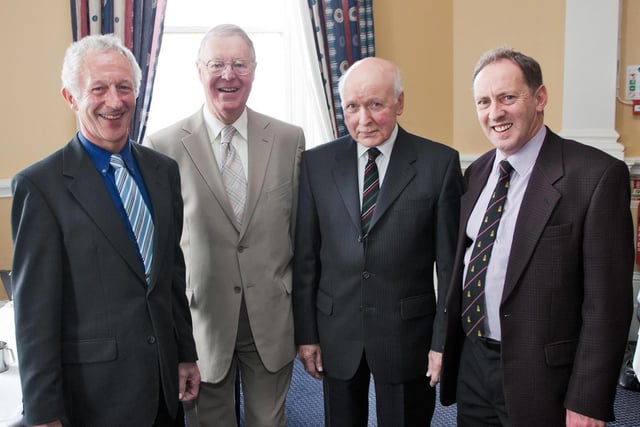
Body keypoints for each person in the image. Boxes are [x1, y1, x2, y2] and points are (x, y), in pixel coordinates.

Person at [10, 34, 200, 427]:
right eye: (98, 88)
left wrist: (184, 353)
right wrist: (43, 412)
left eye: (124, 87)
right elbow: (34, 316)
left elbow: (169, 275)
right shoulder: (41, 187)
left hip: (164, 389)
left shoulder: (163, 171)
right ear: (71, 97)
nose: (114, 101)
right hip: (95, 399)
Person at [440, 47, 634, 427]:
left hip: (544, 380)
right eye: (484, 101)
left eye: (508, 97)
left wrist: (588, 400)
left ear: (540, 98)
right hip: (474, 366)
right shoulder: (477, 174)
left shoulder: (595, 177)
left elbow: (607, 305)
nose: (494, 113)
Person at [143, 24, 305, 427]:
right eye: (217, 64)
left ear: (254, 70)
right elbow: (159, 250)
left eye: (239, 64)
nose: (228, 74)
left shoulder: (289, 139)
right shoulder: (163, 146)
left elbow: (303, 234)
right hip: (202, 320)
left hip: (270, 313)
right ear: (199, 71)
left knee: (269, 422)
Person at [293, 57, 464, 426]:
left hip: (408, 336)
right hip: (337, 332)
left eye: (375, 104)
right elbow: (306, 258)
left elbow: (450, 267)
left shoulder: (439, 164)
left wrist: (443, 341)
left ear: (400, 103)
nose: (363, 119)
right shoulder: (316, 165)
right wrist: (306, 335)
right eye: (352, 107)